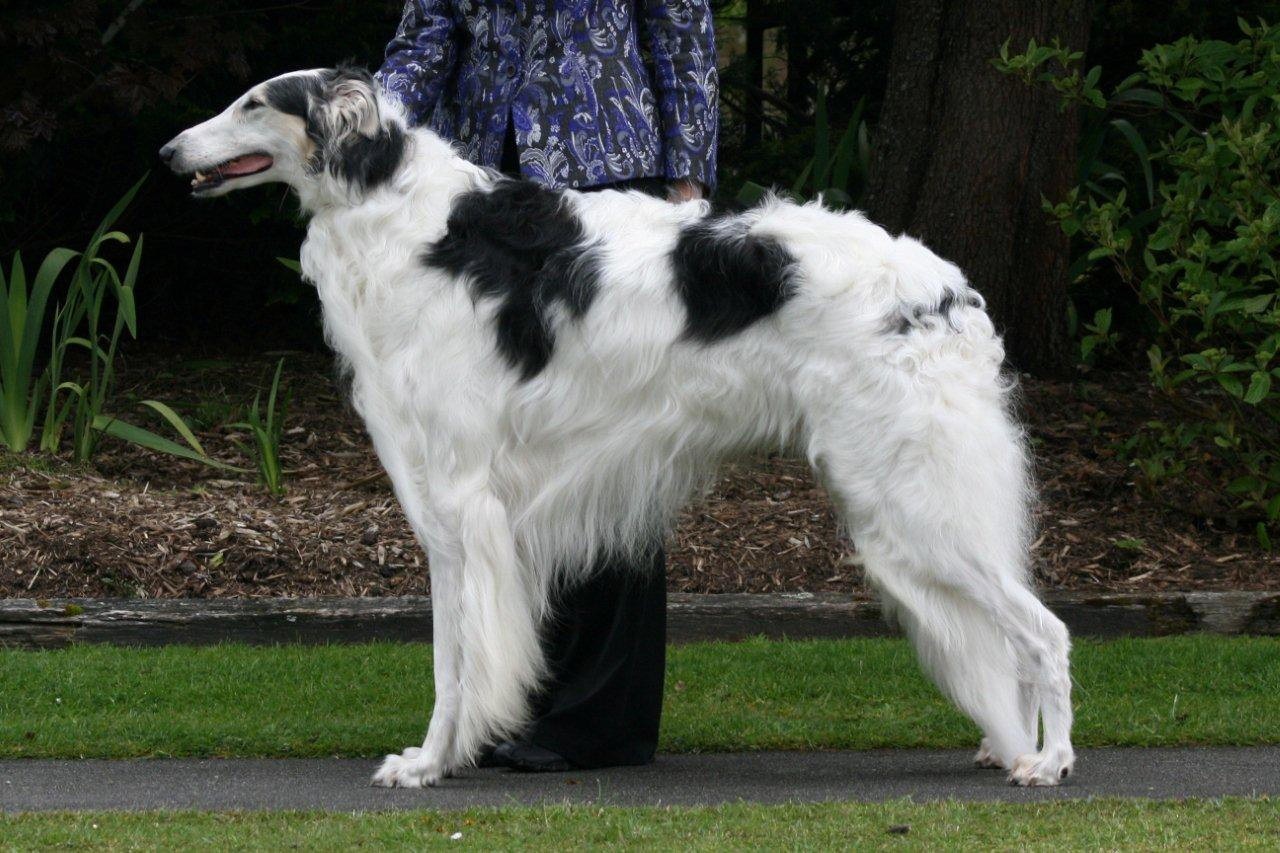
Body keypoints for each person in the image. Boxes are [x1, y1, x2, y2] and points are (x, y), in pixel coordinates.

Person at [376, 0, 718, 771]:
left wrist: (688, 181)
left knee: (610, 449)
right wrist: (361, 129)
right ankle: (510, 707)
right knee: (508, 464)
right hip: (480, 199)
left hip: (609, 190)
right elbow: (426, 39)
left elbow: (681, 32)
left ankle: (599, 720)